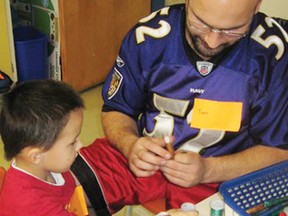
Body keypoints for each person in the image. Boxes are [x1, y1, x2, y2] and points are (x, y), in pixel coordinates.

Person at [101, 0, 288, 209]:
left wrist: (209, 170)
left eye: (232, 30)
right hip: (144, 154)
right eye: (201, 23)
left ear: (256, 7)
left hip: (225, 173)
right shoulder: (148, 37)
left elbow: (281, 151)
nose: (212, 41)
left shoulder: (274, 55)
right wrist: (130, 145)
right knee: (67, 186)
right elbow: (115, 109)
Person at [0, 80, 166, 216]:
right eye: (72, 142)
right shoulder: (33, 206)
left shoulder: (45, 167)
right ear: (36, 155)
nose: (80, 146)